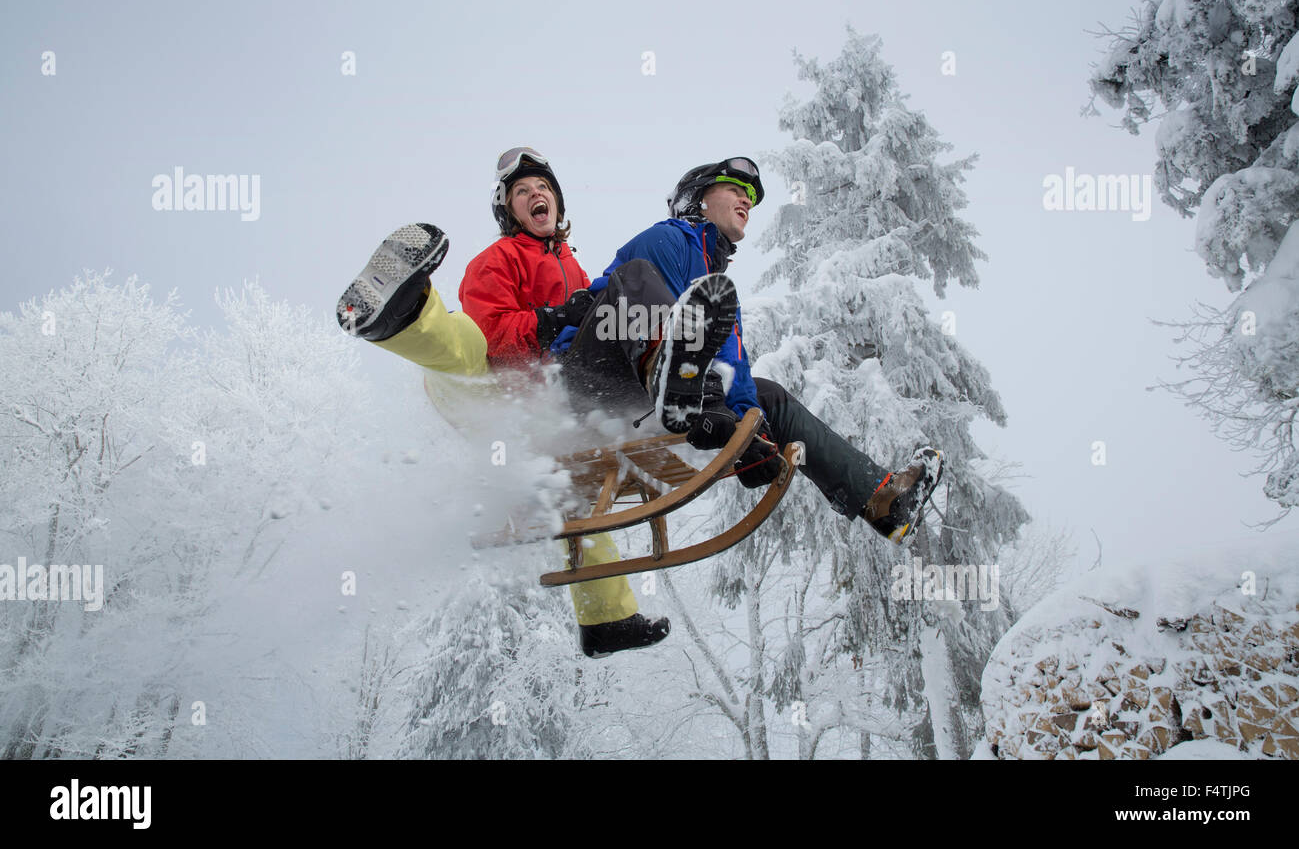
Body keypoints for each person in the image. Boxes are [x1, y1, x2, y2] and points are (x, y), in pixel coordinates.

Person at [335, 147, 669, 659]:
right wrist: (552, 319)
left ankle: (608, 622)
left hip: (545, 418)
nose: (537, 196)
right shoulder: (497, 260)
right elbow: (494, 338)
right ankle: (398, 318)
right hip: (488, 394)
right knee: (466, 345)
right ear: (508, 211)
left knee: (573, 497)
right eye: (522, 192)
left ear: (557, 203)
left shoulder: (577, 270)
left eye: (544, 189)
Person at [551, 157, 945, 543]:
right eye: (735, 190)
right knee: (637, 279)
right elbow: (621, 302)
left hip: (642, 409)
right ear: (698, 199)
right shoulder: (667, 238)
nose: (746, 202)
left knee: (765, 396)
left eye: (750, 198)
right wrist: (704, 396)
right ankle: (667, 372)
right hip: (590, 380)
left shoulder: (717, 292)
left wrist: (747, 433)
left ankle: (882, 501)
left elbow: (732, 374)